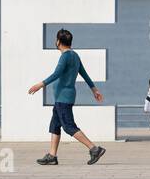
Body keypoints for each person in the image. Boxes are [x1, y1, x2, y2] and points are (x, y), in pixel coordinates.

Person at [28, 28, 105, 166]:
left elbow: (57, 73)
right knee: (55, 125)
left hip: (64, 98)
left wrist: (41, 84)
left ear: (58, 41)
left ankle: (94, 148)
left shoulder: (65, 56)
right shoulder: (74, 55)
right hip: (62, 98)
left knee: (69, 126)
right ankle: (52, 156)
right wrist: (94, 89)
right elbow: (84, 73)